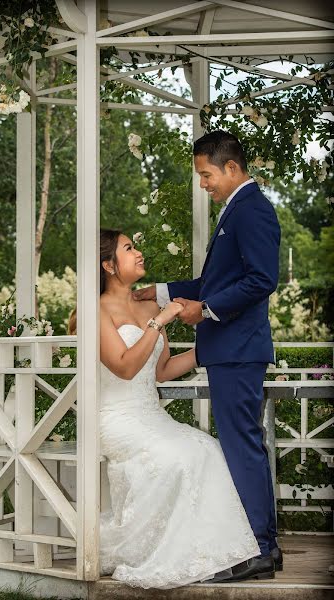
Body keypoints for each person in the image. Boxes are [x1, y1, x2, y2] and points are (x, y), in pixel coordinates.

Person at [134, 130, 282, 583]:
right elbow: (209, 284)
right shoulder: (235, 210)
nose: (203, 184)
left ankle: (260, 548)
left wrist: (208, 310)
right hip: (228, 351)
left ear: (231, 168)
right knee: (241, 445)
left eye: (206, 175)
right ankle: (263, 546)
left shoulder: (252, 209)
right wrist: (157, 292)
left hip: (237, 350)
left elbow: (261, 280)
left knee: (243, 448)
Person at [99, 228, 260, 589]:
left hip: (151, 415)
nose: (138, 253)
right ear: (109, 265)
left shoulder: (149, 306)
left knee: (207, 448)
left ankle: (212, 554)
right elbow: (124, 367)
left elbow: (161, 371)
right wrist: (160, 322)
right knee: (180, 457)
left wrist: (209, 353)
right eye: (128, 249)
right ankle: (161, 551)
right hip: (116, 418)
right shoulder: (94, 312)